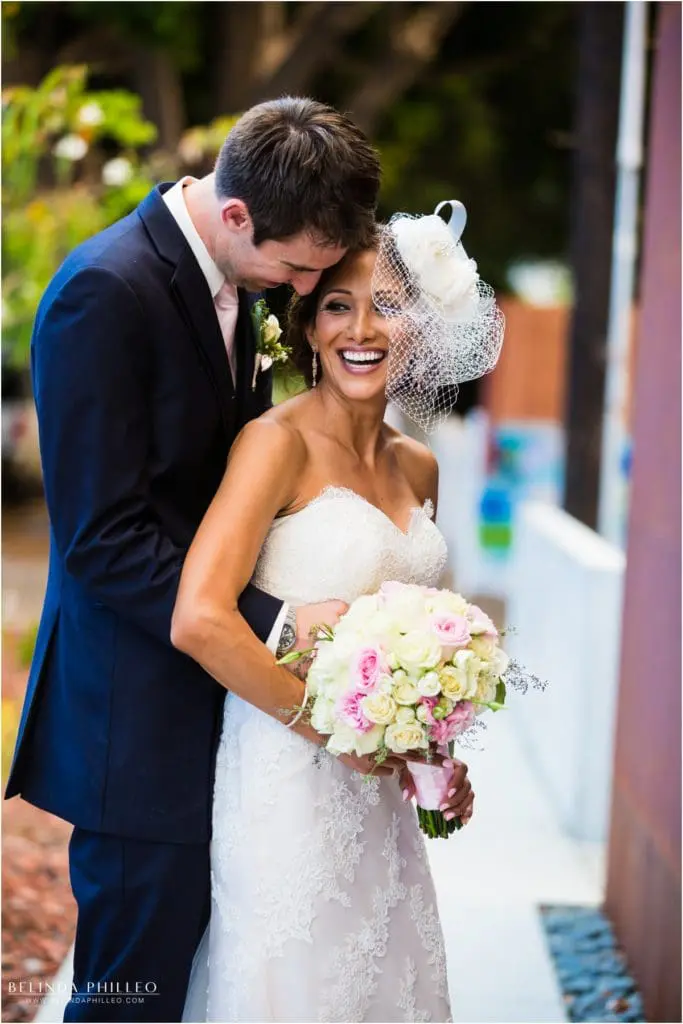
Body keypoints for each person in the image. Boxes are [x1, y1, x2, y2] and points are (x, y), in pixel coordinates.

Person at [4, 97, 411, 1023]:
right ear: (236, 216)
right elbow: (102, 538)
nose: (305, 292)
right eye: (300, 268)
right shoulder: (103, 292)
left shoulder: (250, 280)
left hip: (225, 717)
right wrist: (272, 621)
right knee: (128, 997)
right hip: (135, 721)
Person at [174, 234, 477, 1023]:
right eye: (337, 307)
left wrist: (430, 751)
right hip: (282, 781)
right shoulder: (274, 444)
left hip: (380, 804)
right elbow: (200, 620)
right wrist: (325, 729)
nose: (360, 329)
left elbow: (408, 640)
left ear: (421, 325)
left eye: (386, 305)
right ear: (307, 328)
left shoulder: (419, 467)